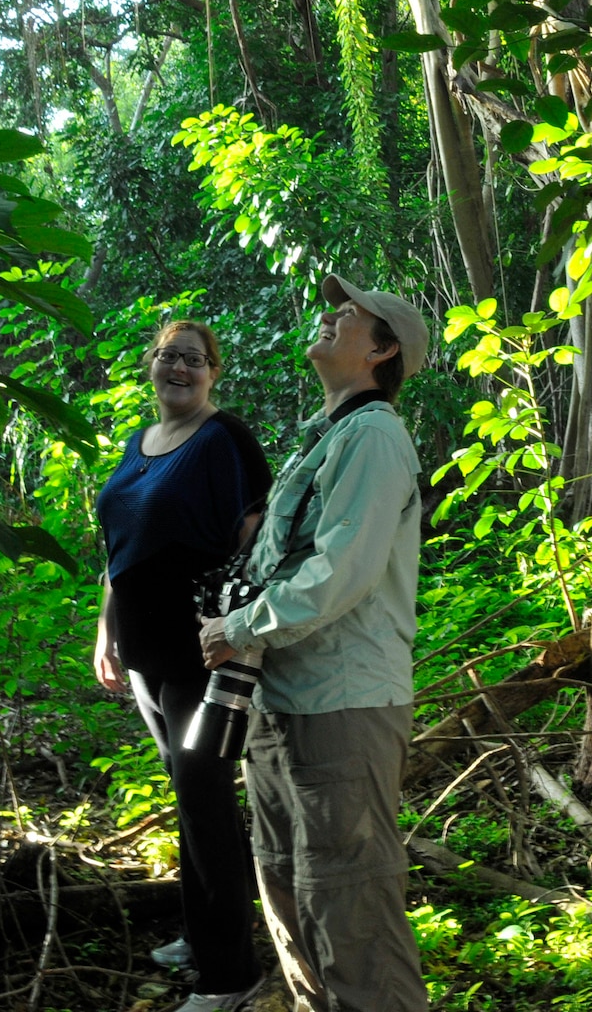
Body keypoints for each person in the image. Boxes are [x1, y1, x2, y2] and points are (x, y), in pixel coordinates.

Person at [199, 275, 431, 1012]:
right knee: (287, 877)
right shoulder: (330, 433)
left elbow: (344, 570)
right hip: (281, 692)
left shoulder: (375, 436)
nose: (332, 316)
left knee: (350, 893)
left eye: (351, 315)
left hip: (343, 699)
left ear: (383, 350)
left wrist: (238, 628)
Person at [93, 319, 272, 1010]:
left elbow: (253, 543)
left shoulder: (223, 440)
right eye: (169, 356)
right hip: (143, 653)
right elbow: (118, 549)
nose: (180, 368)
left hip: (200, 653)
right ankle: (202, 938)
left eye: (194, 360)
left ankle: (232, 975)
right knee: (189, 796)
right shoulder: (138, 446)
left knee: (204, 799)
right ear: (150, 364)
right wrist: (104, 632)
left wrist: (238, 631)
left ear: (213, 373)